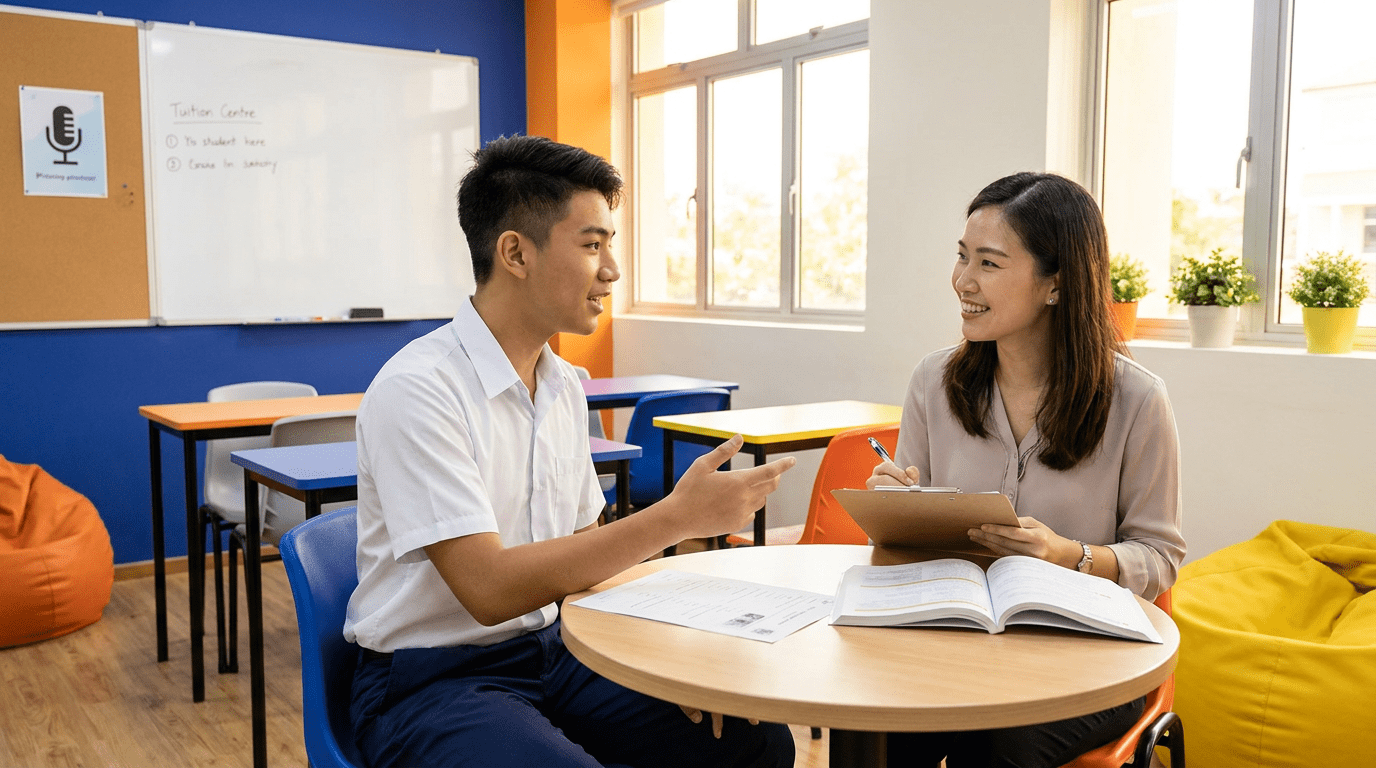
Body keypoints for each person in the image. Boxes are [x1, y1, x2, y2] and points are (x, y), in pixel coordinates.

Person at [344, 135, 797, 768]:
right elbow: (488, 589)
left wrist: (668, 656)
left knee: (752, 739)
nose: (611, 270)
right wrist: (675, 517)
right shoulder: (419, 389)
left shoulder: (561, 385)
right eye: (592, 244)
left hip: (557, 651)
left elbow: (592, 554)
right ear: (515, 253)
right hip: (433, 679)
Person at [868, 172, 1186, 768]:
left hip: (1088, 657)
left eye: (989, 263)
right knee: (874, 722)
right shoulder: (933, 383)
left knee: (998, 738)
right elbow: (901, 545)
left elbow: (1160, 557)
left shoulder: (1137, 399)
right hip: (956, 646)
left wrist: (1069, 555)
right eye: (962, 257)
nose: (962, 281)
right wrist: (892, 507)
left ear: (1056, 285)